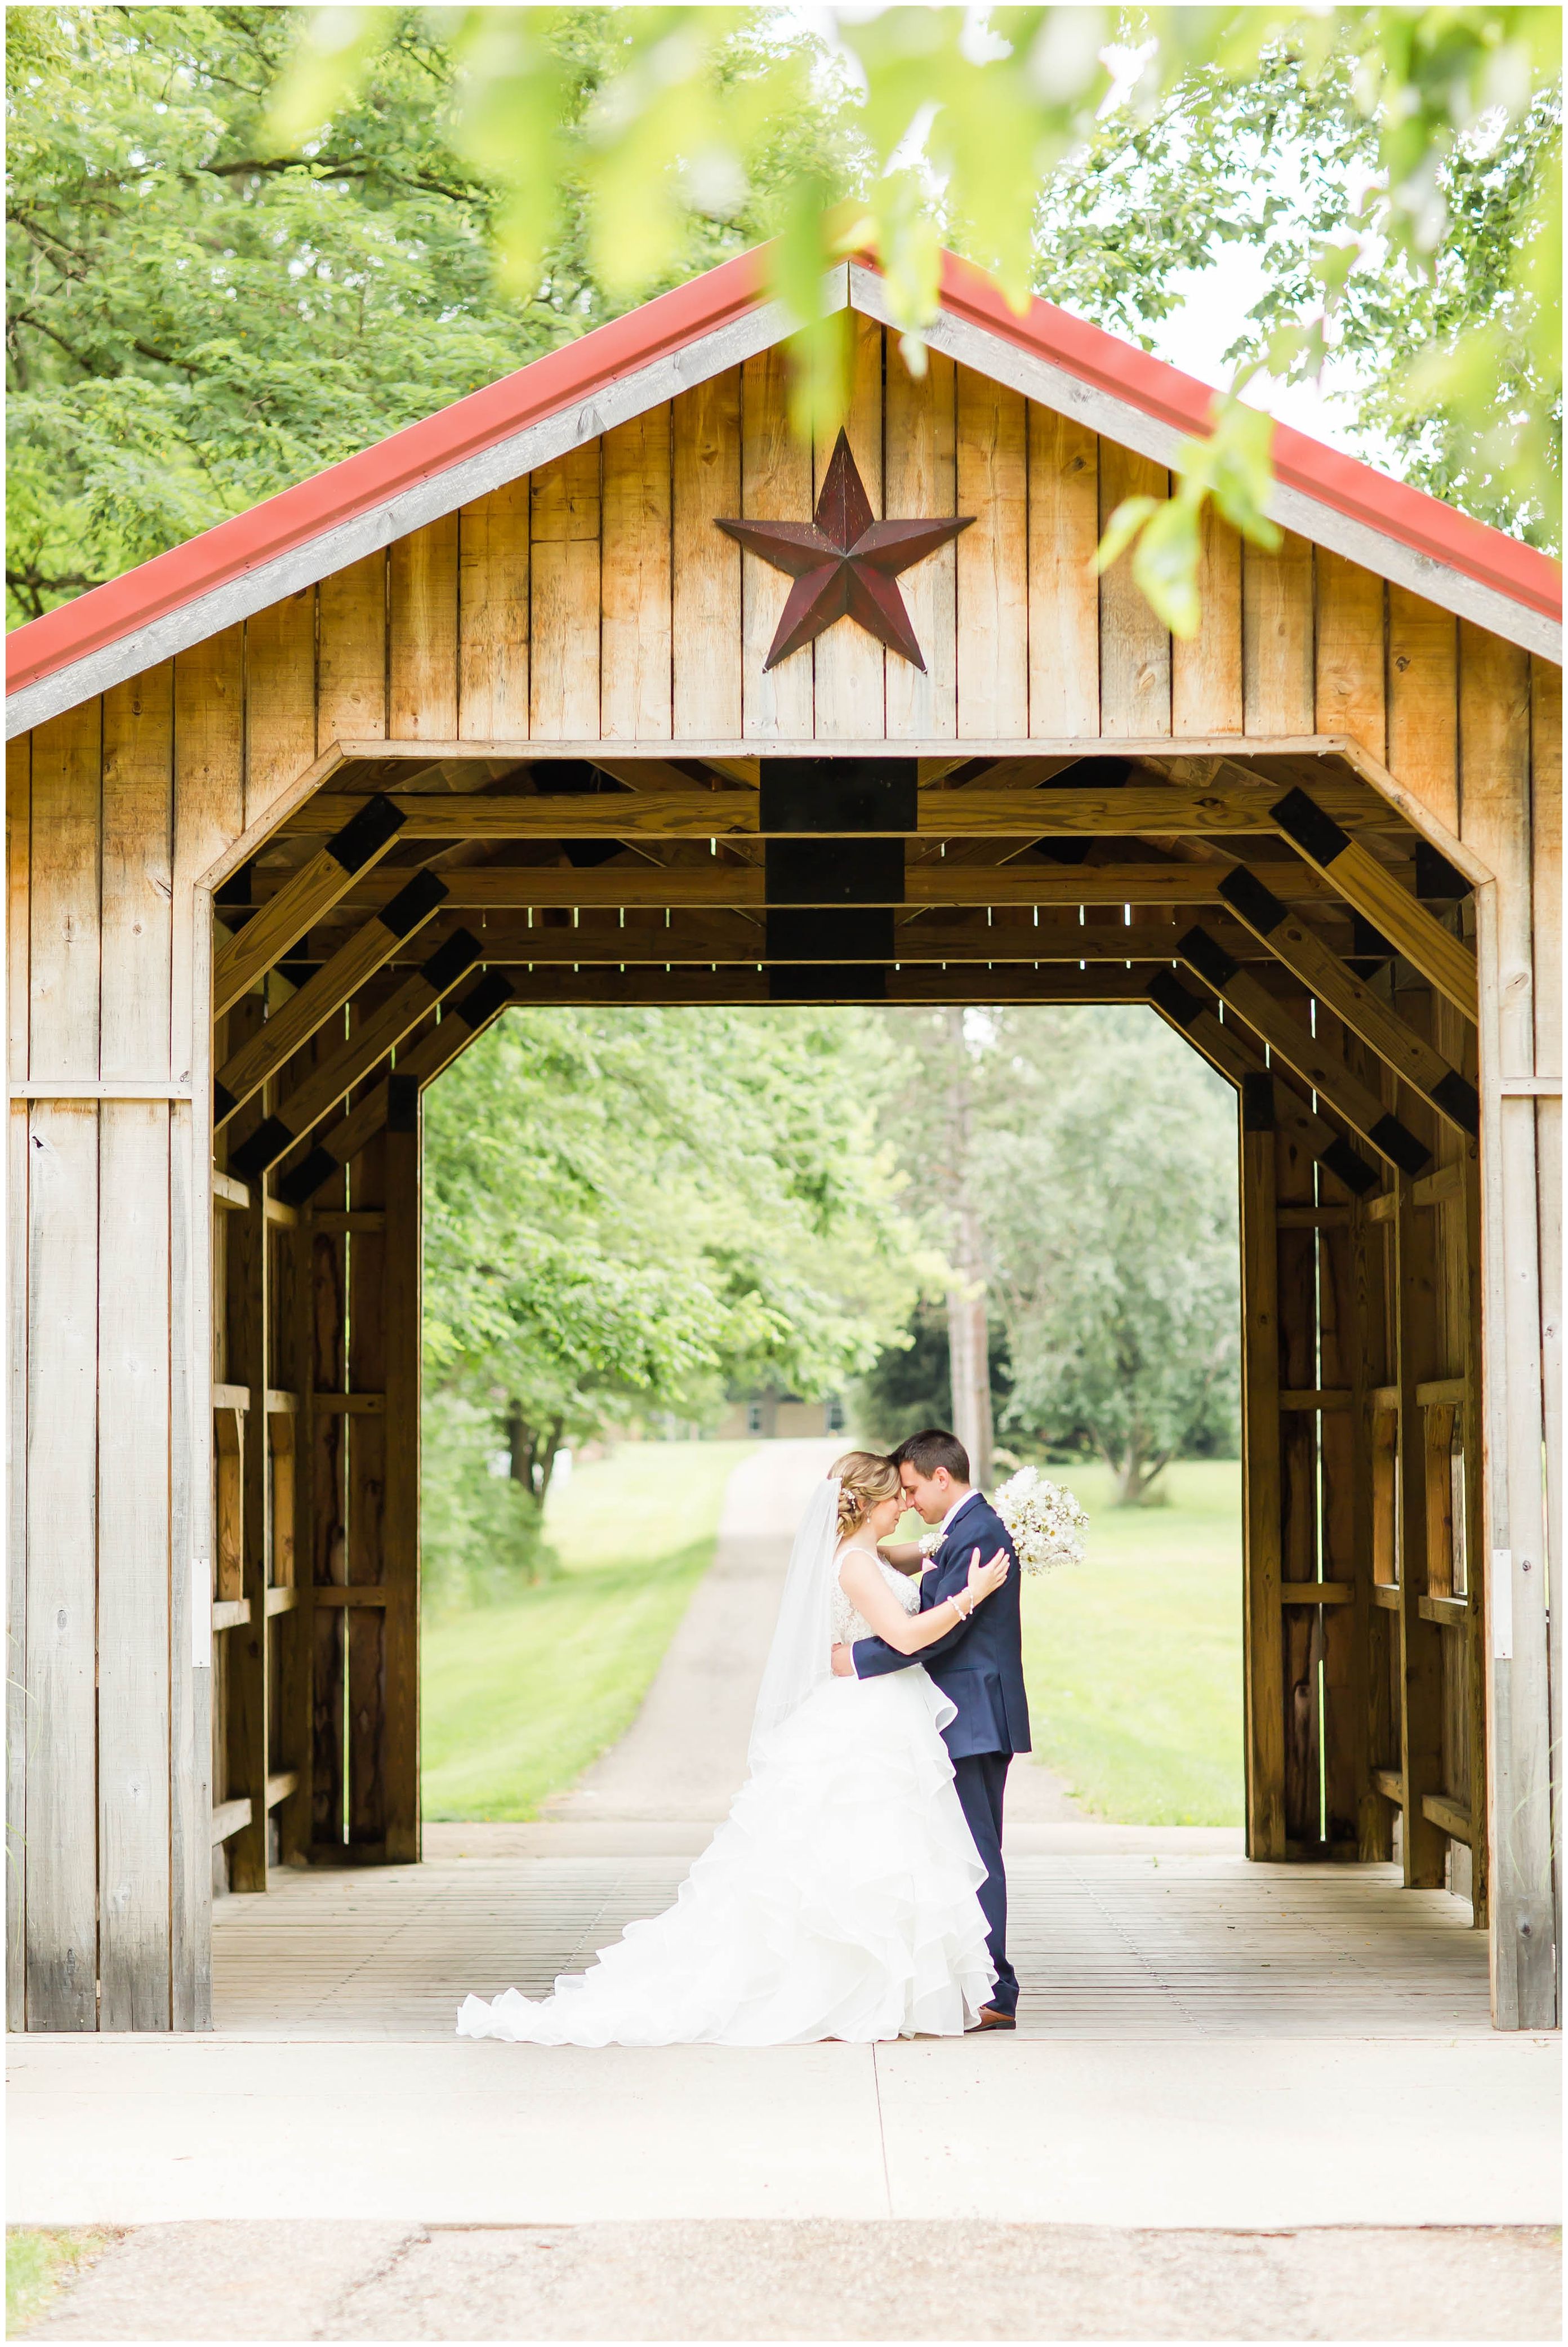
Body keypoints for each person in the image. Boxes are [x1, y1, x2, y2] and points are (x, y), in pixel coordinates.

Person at [456, 1450, 1011, 2046]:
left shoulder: (862, 1554)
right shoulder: (854, 1565)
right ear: (870, 1505)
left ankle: (885, 1985)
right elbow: (901, 1635)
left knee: (883, 1855)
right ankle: (846, 1989)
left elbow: (902, 1560)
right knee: (859, 1855)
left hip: (877, 1714)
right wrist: (969, 1595)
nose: (907, 1505)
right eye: (896, 1498)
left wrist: (947, 1544)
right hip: (866, 1721)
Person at [832, 1429, 1027, 2030]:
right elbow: (915, 1582)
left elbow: (932, 1635)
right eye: (898, 1496)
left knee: (974, 1852)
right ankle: (976, 1980)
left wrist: (853, 1661)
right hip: (954, 1713)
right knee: (948, 1850)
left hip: (971, 1714)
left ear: (942, 1477)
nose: (909, 1501)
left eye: (913, 1489)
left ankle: (997, 1991)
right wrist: (889, 1553)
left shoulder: (979, 1534)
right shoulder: (964, 1530)